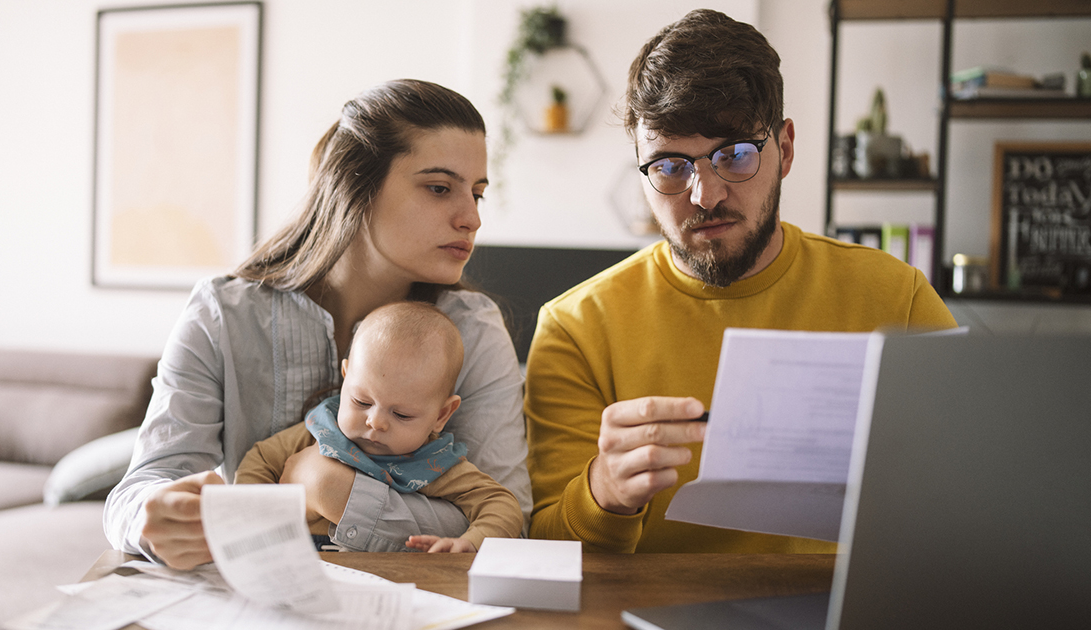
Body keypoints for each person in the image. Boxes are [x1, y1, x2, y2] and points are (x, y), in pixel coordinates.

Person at [524, 9, 957, 554]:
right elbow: (544, 553)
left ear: (787, 150)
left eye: (734, 155)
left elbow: (974, 495)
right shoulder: (574, 328)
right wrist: (604, 493)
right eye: (670, 166)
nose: (705, 195)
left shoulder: (899, 298)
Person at [105, 79, 532, 570]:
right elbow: (137, 492)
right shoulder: (222, 315)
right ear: (355, 187)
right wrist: (151, 519)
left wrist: (331, 490)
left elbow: (510, 519)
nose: (472, 218)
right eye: (439, 188)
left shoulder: (473, 331)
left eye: (477, 193)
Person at [236, 301, 523, 553]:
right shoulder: (322, 429)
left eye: (401, 414)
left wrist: (472, 541)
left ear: (441, 415)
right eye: (361, 401)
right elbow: (260, 460)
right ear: (346, 377)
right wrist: (250, 520)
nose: (375, 422)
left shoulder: (434, 463)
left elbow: (502, 505)